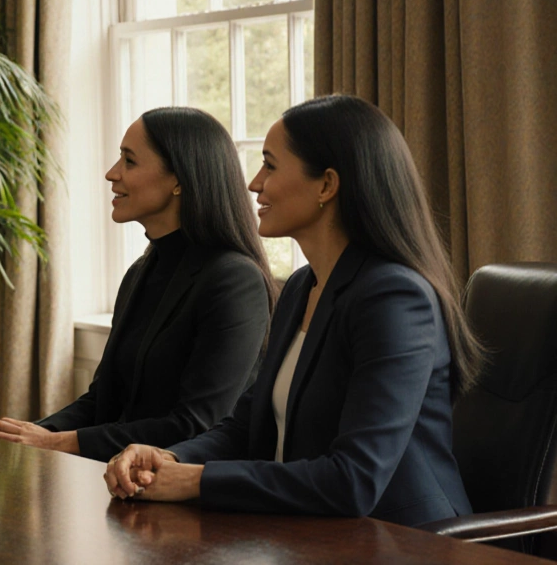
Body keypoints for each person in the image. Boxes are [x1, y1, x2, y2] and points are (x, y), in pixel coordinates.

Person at [104, 95, 485, 527]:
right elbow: (245, 427)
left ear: (326, 185)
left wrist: (195, 480)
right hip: (312, 532)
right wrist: (168, 458)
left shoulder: (395, 298)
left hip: (407, 541)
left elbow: (353, 481)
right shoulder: (302, 285)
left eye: (270, 164)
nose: (253, 183)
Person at [0, 107, 274, 461]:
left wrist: (57, 443)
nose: (112, 174)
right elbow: (102, 401)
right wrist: (30, 434)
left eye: (129, 161)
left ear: (179, 179)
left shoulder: (235, 280)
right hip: (123, 483)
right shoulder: (141, 271)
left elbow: (197, 425)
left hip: (194, 498)